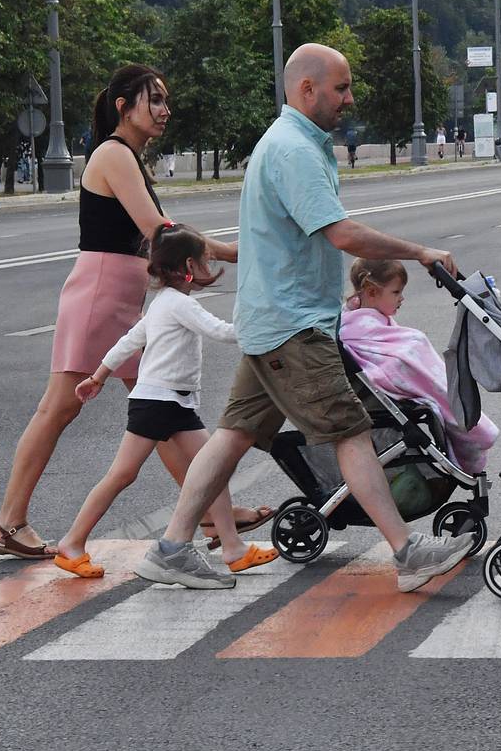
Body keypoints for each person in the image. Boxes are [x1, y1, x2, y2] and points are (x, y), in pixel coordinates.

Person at [136, 43, 473, 591]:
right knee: (351, 431)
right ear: (306, 89)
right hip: (292, 326)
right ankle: (408, 553)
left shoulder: (291, 144)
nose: (350, 97)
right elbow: (339, 233)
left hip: (273, 321)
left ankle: (172, 547)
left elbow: (274, 238)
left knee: (233, 436)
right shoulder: (293, 150)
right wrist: (420, 251)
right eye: (340, 87)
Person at [0, 64, 263, 561]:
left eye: (165, 100)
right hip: (99, 295)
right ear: (123, 106)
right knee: (60, 408)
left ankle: (207, 512)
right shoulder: (113, 154)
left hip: (122, 298)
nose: (164, 109)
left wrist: (216, 254)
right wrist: (228, 252)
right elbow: (159, 229)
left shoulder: (129, 157)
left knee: (164, 411)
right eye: (154, 99)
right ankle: (9, 520)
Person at [54, 223, 277, 578]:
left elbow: (129, 341)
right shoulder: (178, 305)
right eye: (204, 261)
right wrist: (264, 328)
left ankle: (233, 548)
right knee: (123, 475)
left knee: (212, 468)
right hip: (159, 403)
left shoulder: (163, 304)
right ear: (187, 267)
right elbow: (220, 331)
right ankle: (72, 542)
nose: (207, 267)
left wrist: (98, 376)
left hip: (172, 402)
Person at [339, 258, 498, 475]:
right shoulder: (357, 327)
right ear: (371, 291)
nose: (401, 298)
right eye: (396, 292)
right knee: (418, 348)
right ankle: (473, 431)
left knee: (416, 344)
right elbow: (393, 361)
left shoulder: (356, 319)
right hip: (395, 380)